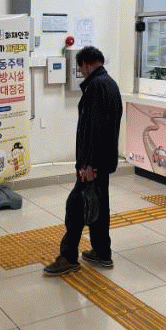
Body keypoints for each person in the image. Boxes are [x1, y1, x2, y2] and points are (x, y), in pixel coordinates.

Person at [44, 46, 123, 276]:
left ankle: (68, 257)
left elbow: (93, 129)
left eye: (80, 68)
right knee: (98, 206)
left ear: (86, 65)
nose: (81, 72)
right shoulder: (110, 83)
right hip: (104, 160)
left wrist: (88, 164)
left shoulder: (96, 86)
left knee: (76, 208)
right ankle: (102, 252)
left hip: (93, 164)